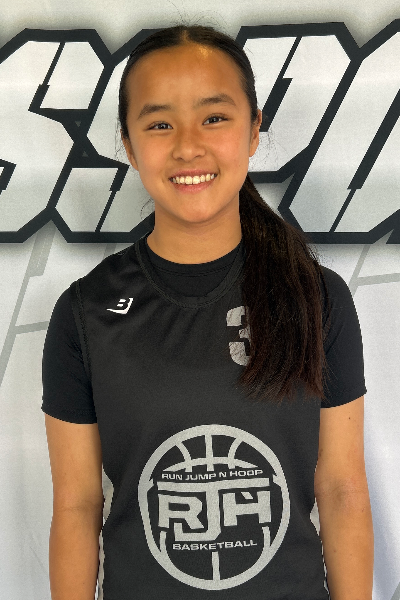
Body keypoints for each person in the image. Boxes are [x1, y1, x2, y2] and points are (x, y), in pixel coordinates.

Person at [42, 24, 373, 600]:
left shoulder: (316, 298)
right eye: (159, 123)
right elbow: (76, 505)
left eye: (214, 117)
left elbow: (342, 492)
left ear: (254, 129)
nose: (188, 146)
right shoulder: (86, 312)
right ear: (128, 144)